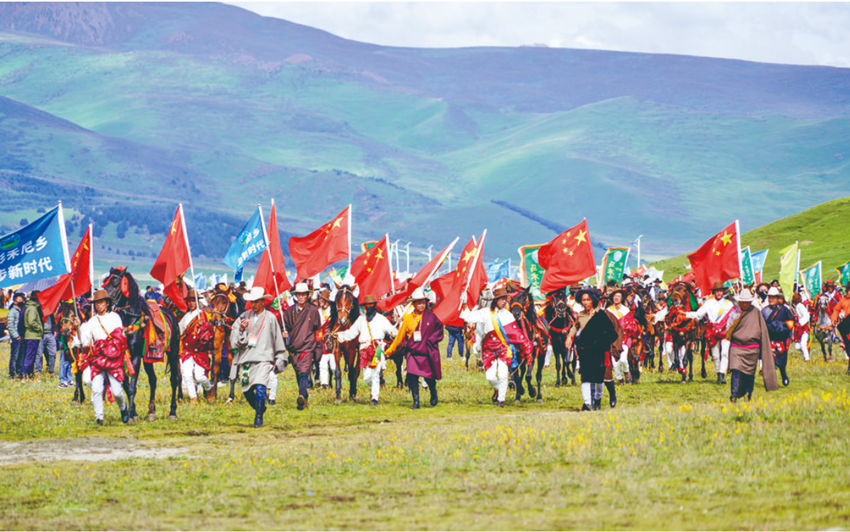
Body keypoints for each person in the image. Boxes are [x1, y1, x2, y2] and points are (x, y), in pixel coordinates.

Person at [459, 288, 532, 407]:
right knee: (490, 377)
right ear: (496, 300)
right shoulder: (485, 312)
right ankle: (498, 389)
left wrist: (527, 350)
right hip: (489, 350)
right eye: (501, 299)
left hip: (503, 349)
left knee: (503, 375)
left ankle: (501, 400)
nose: (504, 302)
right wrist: (464, 303)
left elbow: (516, 334)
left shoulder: (508, 315)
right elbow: (468, 317)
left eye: (505, 299)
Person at [230, 287, 288, 428]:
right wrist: (241, 330)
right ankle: (260, 408)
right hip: (247, 359)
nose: (254, 304)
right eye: (252, 302)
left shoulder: (270, 318)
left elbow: (277, 338)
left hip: (263, 358)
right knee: (247, 390)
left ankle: (258, 419)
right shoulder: (243, 317)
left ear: (262, 302)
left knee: (261, 387)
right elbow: (234, 340)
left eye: (256, 301)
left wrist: (280, 356)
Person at [76, 290, 130, 425]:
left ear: (107, 303)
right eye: (97, 303)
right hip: (98, 358)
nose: (99, 305)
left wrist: (109, 346)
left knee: (117, 391)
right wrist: (78, 328)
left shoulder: (115, 317)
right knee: (96, 389)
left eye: (101, 302)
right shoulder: (92, 321)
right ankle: (99, 417)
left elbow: (120, 336)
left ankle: (123, 408)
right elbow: (85, 341)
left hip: (113, 357)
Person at [385, 288, 444, 409]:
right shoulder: (407, 319)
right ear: (413, 304)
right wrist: (389, 351)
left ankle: (433, 392)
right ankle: (416, 401)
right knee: (412, 376)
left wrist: (432, 340)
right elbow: (399, 337)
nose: (422, 305)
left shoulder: (430, 317)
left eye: (423, 303)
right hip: (412, 353)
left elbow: (439, 330)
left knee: (428, 377)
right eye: (419, 303)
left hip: (426, 352)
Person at [334, 294, 398, 405]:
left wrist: (399, 332)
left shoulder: (381, 319)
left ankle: (374, 398)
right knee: (367, 377)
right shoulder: (361, 319)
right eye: (367, 305)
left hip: (378, 348)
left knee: (376, 373)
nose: (369, 307)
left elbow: (392, 330)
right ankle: (374, 389)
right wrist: (339, 335)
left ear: (374, 305)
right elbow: (351, 333)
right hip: (364, 349)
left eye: (371, 304)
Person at [567, 287, 621, 410]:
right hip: (585, 350)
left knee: (598, 378)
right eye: (583, 300)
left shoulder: (601, 315)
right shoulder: (580, 315)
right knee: (585, 376)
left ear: (593, 301)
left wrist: (601, 343)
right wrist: (569, 337)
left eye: (588, 300)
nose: (586, 302)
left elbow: (611, 333)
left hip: (599, 351)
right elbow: (575, 327)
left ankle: (597, 399)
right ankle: (587, 403)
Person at [726, 288, 778, 401]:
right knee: (735, 370)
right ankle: (734, 394)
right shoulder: (735, 313)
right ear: (739, 302)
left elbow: (762, 330)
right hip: (737, 347)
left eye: (747, 302)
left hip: (752, 349)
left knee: (749, 373)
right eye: (743, 302)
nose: (745, 304)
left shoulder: (756, 313)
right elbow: (728, 328)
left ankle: (748, 393)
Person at [685, 282, 735, 384]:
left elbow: (733, 317)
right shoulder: (708, 303)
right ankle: (718, 373)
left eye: (720, 291)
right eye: (717, 291)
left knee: (725, 353)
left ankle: (722, 374)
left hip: (725, 331)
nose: (719, 293)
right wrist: (685, 314)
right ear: (714, 292)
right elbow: (699, 315)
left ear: (723, 292)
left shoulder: (728, 304)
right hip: (712, 331)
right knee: (715, 355)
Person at [282, 282, 321, 410]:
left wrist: (318, 348)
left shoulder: (313, 311)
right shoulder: (289, 312)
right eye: (298, 294)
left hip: (308, 347)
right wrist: (284, 334)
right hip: (294, 348)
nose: (301, 297)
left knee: (304, 372)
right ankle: (305, 396)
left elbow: (318, 331)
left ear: (307, 295)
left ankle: (300, 395)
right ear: (295, 295)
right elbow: (285, 328)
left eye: (303, 294)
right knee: (299, 373)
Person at [179, 291, 215, 405]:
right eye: (189, 301)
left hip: (200, 351)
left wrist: (201, 326)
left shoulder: (203, 315)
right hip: (187, 350)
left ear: (197, 302)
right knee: (187, 375)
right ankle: (193, 397)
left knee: (200, 377)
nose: (191, 303)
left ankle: (209, 389)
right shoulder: (185, 317)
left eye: (193, 301)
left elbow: (208, 334)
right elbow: (181, 332)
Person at [762, 287, 795, 387]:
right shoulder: (764, 311)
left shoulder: (784, 310)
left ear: (777, 298)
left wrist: (781, 326)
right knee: (768, 361)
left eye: (773, 297)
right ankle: (770, 380)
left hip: (781, 339)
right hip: (769, 339)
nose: (771, 299)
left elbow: (791, 321)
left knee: (782, 361)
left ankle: (783, 374)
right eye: (769, 297)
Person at [606, 289, 636, 384]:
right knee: (615, 362)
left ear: (621, 298)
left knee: (623, 359)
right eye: (615, 296)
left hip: (624, 338)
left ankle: (627, 372)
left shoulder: (626, 310)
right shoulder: (608, 310)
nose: (616, 298)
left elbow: (632, 324)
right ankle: (620, 379)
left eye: (618, 296)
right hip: (612, 339)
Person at [20, 292, 45, 380]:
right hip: (32, 335)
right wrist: (39, 328)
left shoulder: (30, 307)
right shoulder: (32, 308)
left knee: (31, 357)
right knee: (30, 357)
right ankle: (26, 376)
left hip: (31, 335)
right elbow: (31, 322)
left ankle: (30, 375)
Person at [316, 289, 336, 389]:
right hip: (322, 341)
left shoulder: (333, 313)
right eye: (319, 298)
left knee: (333, 365)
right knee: (322, 364)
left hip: (332, 341)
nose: (320, 300)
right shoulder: (318, 312)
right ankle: (324, 384)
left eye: (322, 299)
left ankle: (337, 381)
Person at [829, 289, 850, 373]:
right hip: (845, 327)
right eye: (848, 291)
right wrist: (834, 319)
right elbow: (836, 310)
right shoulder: (843, 300)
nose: (848, 293)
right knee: (848, 347)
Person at [7, 292, 25, 379]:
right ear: (15, 302)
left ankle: (19, 372)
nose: (21, 301)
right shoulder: (13, 311)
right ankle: (12, 373)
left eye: (22, 299)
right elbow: (10, 325)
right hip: (16, 338)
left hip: (22, 336)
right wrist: (16, 336)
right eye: (19, 300)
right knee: (14, 356)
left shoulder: (22, 310)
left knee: (21, 356)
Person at [35, 312, 58, 377]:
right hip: (41, 334)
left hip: (50, 334)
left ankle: (51, 371)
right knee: (39, 354)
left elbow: (54, 321)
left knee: (53, 353)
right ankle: (38, 371)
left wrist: (54, 330)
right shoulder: (39, 311)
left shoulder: (51, 312)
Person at [791, 292, 811, 362]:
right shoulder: (796, 306)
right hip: (798, 328)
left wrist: (800, 323)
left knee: (802, 344)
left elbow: (806, 316)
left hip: (803, 327)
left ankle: (807, 358)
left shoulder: (800, 306)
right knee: (797, 346)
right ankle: (806, 351)